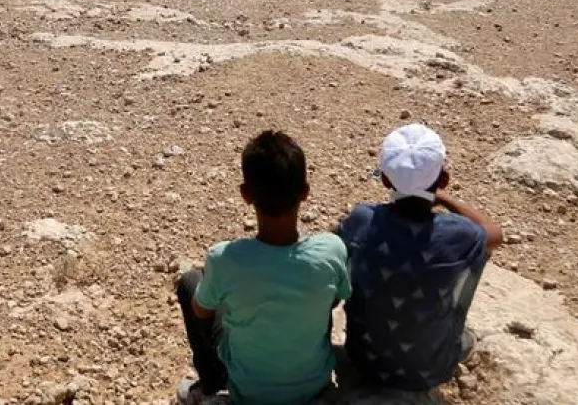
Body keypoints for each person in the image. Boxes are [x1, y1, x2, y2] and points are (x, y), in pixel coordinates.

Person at [175, 130, 351, 405]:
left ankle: (211, 383)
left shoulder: (224, 258)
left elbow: (201, 310)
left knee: (190, 282)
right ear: (305, 191)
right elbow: (337, 297)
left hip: (250, 392)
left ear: (245, 194)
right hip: (313, 387)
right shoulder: (332, 250)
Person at [336, 123, 504, 393]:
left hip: (364, 359)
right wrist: (447, 199)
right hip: (429, 371)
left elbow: (336, 235)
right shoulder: (459, 235)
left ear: (385, 180)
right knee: (476, 256)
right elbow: (495, 234)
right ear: (444, 179)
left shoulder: (362, 220)